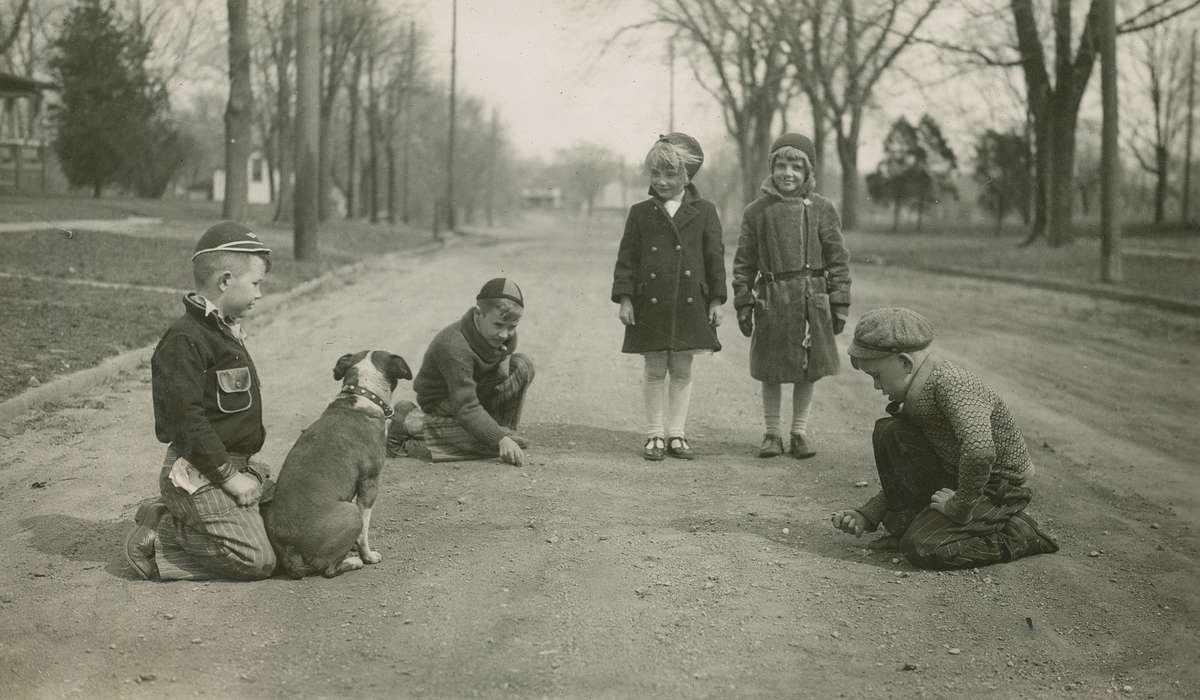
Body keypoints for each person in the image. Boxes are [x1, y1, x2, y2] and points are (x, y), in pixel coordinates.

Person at [831, 307, 1060, 570]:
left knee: (923, 547)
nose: (876, 386)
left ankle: (1018, 532)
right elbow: (909, 467)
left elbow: (980, 453)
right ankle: (910, 525)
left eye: (877, 376)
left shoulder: (953, 384)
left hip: (997, 487)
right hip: (959, 476)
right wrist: (869, 513)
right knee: (890, 431)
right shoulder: (917, 390)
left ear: (906, 363)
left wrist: (960, 507)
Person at [124, 221, 277, 581]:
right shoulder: (185, 340)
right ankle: (158, 539)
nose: (259, 294)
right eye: (255, 284)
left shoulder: (220, 329)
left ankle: (190, 515)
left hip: (236, 463)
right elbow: (187, 421)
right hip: (199, 470)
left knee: (290, 518)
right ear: (225, 282)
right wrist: (229, 479)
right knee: (258, 560)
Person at [732, 132, 851, 460]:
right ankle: (771, 433)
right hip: (772, 299)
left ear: (808, 172)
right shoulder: (757, 211)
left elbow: (838, 258)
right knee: (771, 369)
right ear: (771, 168)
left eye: (796, 167)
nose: (788, 173)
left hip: (811, 299)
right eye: (781, 165)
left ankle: (799, 432)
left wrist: (839, 301)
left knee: (807, 368)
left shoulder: (822, 209)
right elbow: (744, 261)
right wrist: (743, 301)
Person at [611, 132, 726, 461]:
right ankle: (654, 434)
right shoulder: (640, 212)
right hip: (652, 302)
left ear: (687, 175)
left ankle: (677, 433)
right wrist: (626, 298)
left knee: (683, 368)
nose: (662, 181)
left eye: (671, 174)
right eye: (656, 173)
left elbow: (714, 258)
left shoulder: (704, 211)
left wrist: (717, 300)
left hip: (691, 301)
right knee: (654, 368)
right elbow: (627, 259)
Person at [387, 278, 535, 466]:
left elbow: (502, 363)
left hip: (474, 390)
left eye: (512, 327)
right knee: (496, 444)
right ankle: (408, 421)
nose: (505, 334)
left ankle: (498, 432)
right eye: (498, 325)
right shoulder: (454, 345)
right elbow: (466, 407)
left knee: (522, 365)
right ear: (479, 314)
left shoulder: (503, 336)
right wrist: (499, 439)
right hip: (445, 400)